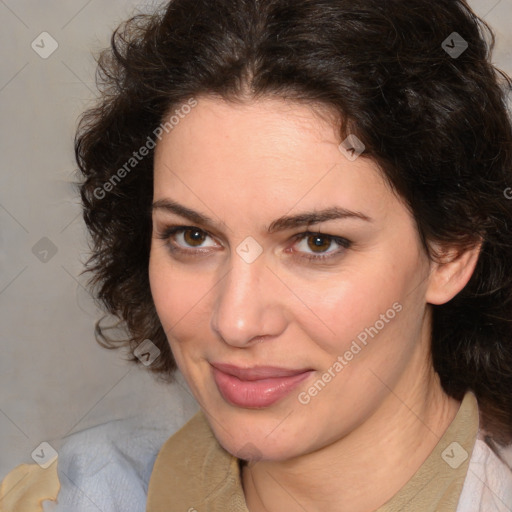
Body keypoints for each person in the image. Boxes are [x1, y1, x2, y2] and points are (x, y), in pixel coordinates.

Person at [2, 0, 512, 510]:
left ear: (451, 252)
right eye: (192, 237)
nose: (236, 322)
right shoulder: (61, 497)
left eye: (317, 242)